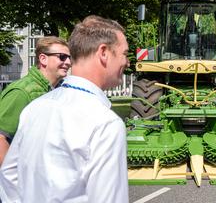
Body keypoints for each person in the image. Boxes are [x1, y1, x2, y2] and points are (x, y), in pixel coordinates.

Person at [0, 16, 130, 202]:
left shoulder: (34, 107)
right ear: (104, 53)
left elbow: (9, 175)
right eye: (124, 54)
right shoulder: (105, 123)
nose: (127, 62)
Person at [0, 36, 70, 166]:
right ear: (43, 59)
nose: (67, 62)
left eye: (69, 57)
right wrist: (17, 180)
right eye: (62, 57)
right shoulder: (21, 92)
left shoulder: (61, 90)